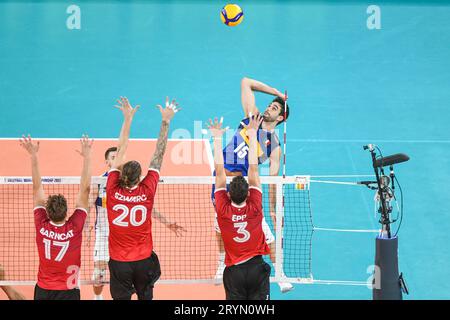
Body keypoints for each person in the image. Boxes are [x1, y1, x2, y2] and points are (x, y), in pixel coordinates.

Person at [212, 77, 292, 293]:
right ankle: (222, 263)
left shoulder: (274, 146)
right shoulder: (251, 117)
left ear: (281, 117)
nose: (269, 108)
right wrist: (275, 91)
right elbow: (246, 82)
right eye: (269, 104)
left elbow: (273, 179)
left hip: (243, 186)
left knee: (265, 231)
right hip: (221, 179)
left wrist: (274, 208)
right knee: (220, 226)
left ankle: (280, 274)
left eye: (274, 108)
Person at [106, 96, 179, 300]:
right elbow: (159, 153)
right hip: (143, 260)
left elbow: (121, 149)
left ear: (120, 174)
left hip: (119, 262)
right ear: (140, 177)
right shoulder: (147, 190)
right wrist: (165, 122)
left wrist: (128, 118)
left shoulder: (112, 188)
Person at [91, 147, 186, 300]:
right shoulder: (100, 182)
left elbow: (148, 208)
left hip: (127, 238)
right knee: (98, 273)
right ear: (107, 162)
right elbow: (90, 203)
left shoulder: (131, 181)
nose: (117, 159)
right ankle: (98, 297)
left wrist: (167, 222)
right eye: (113, 157)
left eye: (119, 156)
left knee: (125, 277)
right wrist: (87, 225)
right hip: (104, 233)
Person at [20, 134, 93, 300]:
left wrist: (33, 155)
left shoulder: (41, 224)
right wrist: (87, 157)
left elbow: (37, 187)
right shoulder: (75, 227)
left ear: (47, 212)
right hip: (69, 289)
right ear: (67, 211)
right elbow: (85, 189)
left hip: (44, 290)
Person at [209, 114, 271, 300]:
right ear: (249, 194)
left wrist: (217, 138)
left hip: (234, 272)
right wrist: (253, 134)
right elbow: (253, 168)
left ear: (228, 195)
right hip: (256, 270)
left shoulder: (223, 210)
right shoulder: (255, 207)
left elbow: (219, 171)